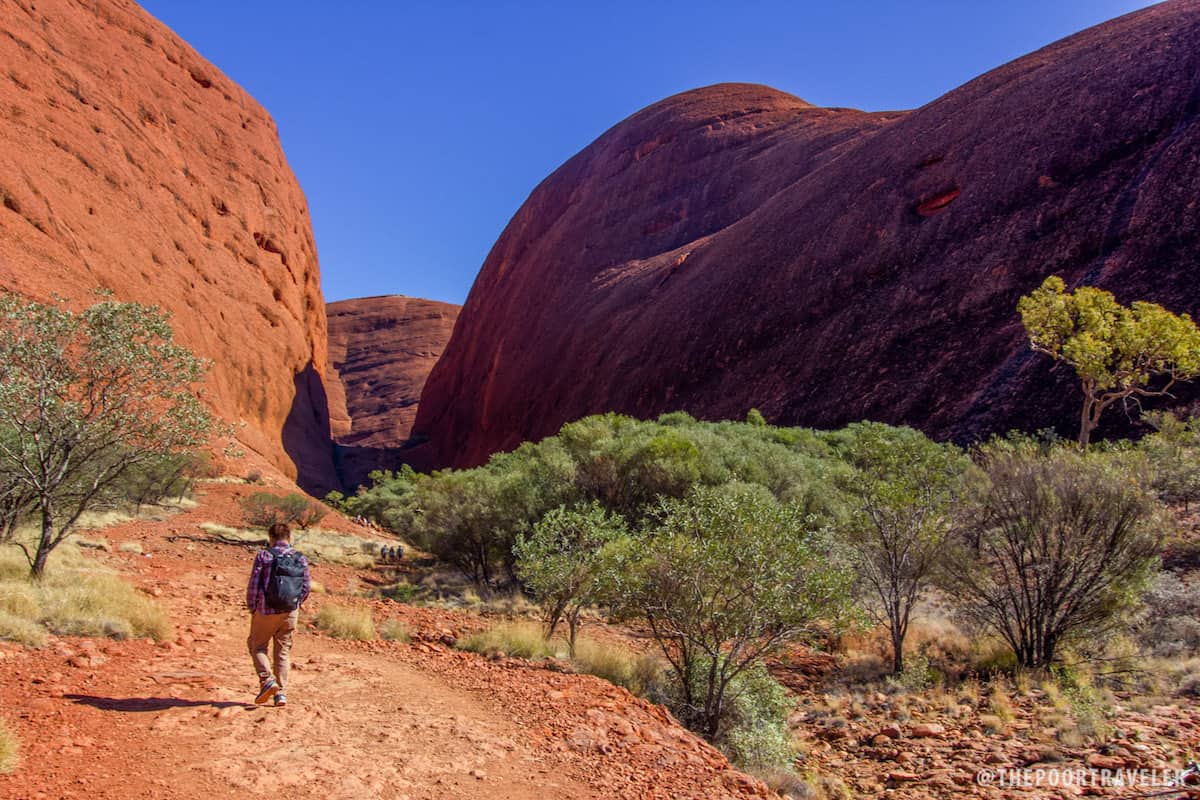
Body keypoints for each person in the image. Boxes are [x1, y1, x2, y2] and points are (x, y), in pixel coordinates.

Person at [245, 522, 310, 707]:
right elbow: (305, 587)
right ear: (289, 537)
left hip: (266, 610)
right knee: (282, 651)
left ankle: (267, 681)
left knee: (257, 646)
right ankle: (281, 694)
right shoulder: (300, 558)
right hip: (290, 611)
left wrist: (253, 607)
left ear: (271, 537)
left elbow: (254, 584)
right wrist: (295, 605)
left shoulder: (264, 555)